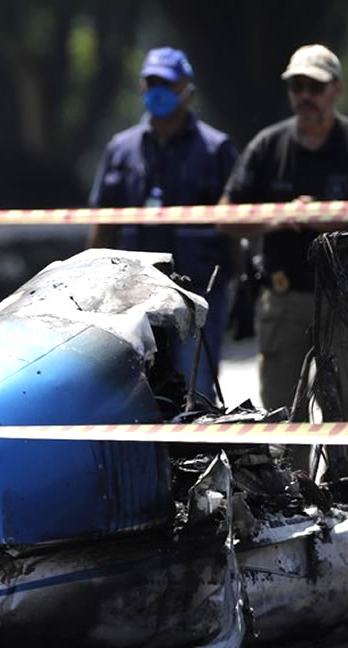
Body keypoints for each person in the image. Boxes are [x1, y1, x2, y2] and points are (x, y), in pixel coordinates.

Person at [221, 44, 348, 475]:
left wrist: (337, 217)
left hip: (345, 300)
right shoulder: (268, 146)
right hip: (283, 298)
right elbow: (226, 218)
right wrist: (280, 217)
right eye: (297, 86)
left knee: (345, 410)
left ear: (336, 90)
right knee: (281, 415)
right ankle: (288, 501)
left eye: (315, 86)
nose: (305, 94)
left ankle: (344, 495)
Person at [87, 47, 239, 401]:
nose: (158, 91)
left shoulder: (216, 149)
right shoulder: (121, 149)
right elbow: (102, 222)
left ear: (188, 90)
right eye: (151, 82)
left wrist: (240, 285)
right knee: (137, 393)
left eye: (167, 84)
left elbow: (235, 226)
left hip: (196, 298)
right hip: (129, 300)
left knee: (195, 392)